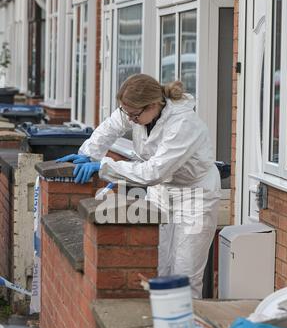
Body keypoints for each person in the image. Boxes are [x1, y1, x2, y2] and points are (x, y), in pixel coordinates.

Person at [57, 74, 221, 299]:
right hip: (162, 191)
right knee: (157, 264)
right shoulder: (135, 110)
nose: (131, 120)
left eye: (135, 115)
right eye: (128, 114)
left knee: (185, 272)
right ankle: (156, 326)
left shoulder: (183, 124)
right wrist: (86, 155)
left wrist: (103, 166)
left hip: (194, 195)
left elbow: (154, 172)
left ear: (153, 105)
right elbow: (109, 128)